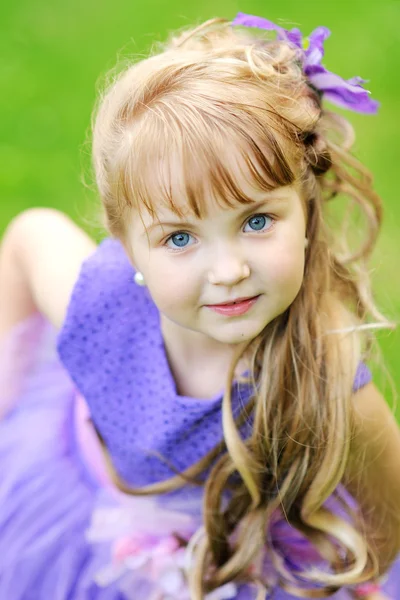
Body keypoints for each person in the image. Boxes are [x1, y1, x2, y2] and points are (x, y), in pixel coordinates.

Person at [0, 11, 399, 600]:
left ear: (306, 213)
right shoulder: (97, 303)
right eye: (180, 238)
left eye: (257, 221)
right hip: (77, 514)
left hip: (245, 571)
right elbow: (32, 236)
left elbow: (389, 512)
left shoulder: (327, 377)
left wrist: (354, 580)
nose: (229, 270)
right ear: (124, 238)